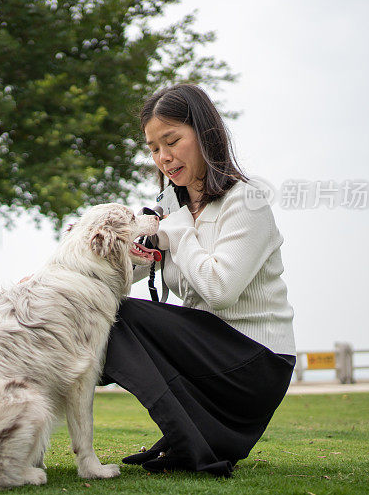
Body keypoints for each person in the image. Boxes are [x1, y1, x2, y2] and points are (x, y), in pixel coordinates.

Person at [100, 83, 296, 477]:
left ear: (205, 133)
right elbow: (125, 272)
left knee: (120, 317)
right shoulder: (170, 207)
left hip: (254, 363)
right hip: (209, 355)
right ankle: (22, 415)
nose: (164, 158)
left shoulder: (247, 200)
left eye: (172, 140)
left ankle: (190, 437)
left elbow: (219, 291)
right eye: (154, 148)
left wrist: (178, 230)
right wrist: (52, 281)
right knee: (89, 312)